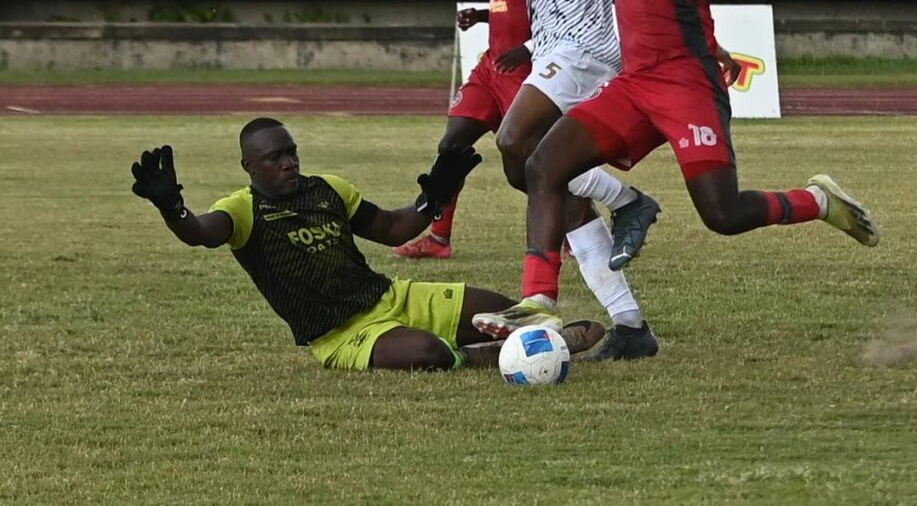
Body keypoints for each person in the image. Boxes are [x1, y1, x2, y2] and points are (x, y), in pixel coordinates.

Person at [473, 0, 880, 344]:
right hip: (633, 86)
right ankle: (539, 301)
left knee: (723, 214)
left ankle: (817, 200)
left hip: (686, 88)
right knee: (543, 164)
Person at [404, 0, 660, 359]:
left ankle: (540, 294)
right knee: (548, 185)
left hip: (591, 49)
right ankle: (631, 324)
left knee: (515, 139)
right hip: (550, 50)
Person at [129, 118, 604, 372]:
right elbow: (200, 233)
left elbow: (394, 228)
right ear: (248, 166)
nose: (289, 163)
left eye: (291, 152)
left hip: (389, 297)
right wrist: (172, 207)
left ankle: (538, 340)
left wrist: (434, 198)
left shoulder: (328, 189)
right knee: (428, 354)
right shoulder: (241, 210)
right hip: (341, 334)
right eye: (274, 158)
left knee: (504, 309)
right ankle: (493, 355)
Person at [393, 0, 533, 260]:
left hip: (522, 72)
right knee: (451, 147)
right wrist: (482, 15)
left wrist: (528, 49)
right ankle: (438, 238)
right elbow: (512, 10)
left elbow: (561, 17)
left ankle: (578, 226)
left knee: (528, 166)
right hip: (490, 68)